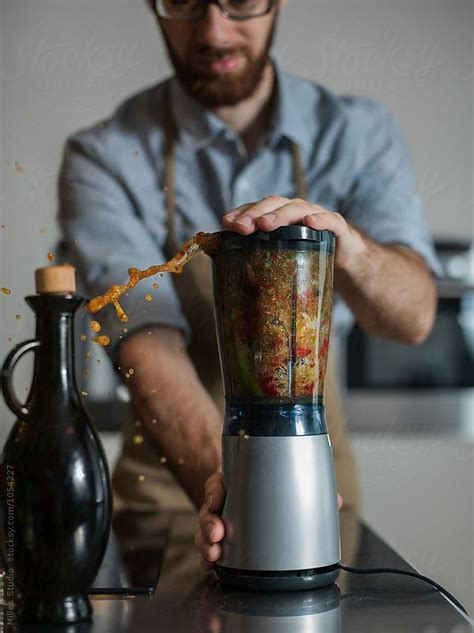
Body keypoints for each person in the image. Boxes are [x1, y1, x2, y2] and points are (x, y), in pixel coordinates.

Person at [58, 0, 439, 571]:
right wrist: (234, 489)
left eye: (239, 0)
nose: (213, 30)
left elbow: (412, 320)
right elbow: (148, 345)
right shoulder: (104, 155)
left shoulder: (358, 133)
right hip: (165, 511)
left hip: (321, 500)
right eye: (184, 2)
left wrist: (347, 247)